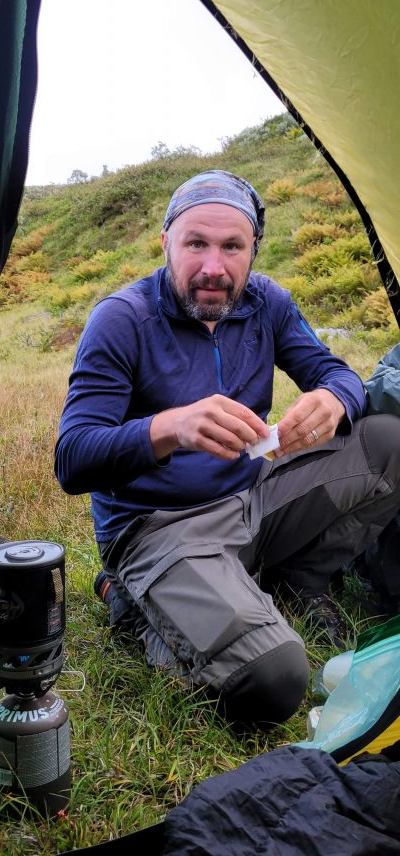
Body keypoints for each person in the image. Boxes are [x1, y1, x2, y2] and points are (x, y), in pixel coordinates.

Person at [55, 170, 400, 728]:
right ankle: (131, 601)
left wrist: (335, 399)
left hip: (255, 496)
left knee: (390, 441)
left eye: (232, 247)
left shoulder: (267, 303)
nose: (213, 267)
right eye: (196, 244)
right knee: (274, 678)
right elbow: (72, 458)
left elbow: (336, 373)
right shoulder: (121, 319)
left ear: (253, 251)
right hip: (160, 528)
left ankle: (298, 580)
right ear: (165, 243)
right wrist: (169, 427)